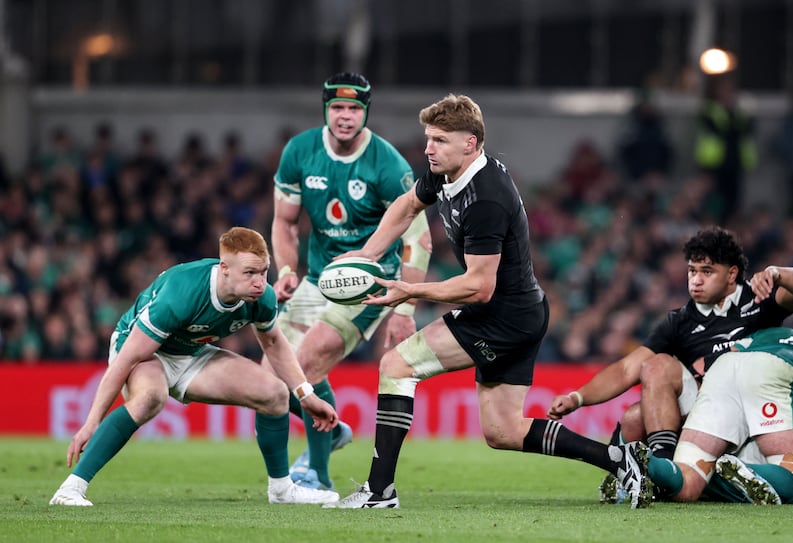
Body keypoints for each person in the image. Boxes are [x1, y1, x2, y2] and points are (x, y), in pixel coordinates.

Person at [325, 94, 653, 510]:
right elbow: (408, 205)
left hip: (501, 317)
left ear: (471, 142)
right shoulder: (445, 173)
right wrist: (368, 256)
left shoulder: (486, 198)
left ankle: (378, 491)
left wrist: (409, 290)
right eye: (429, 138)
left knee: (397, 366)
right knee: (504, 432)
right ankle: (619, 459)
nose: (429, 148)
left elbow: (478, 287)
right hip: (520, 312)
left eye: (440, 140)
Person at [49, 227, 341, 506]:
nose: (259, 282)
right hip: (144, 351)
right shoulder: (182, 292)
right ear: (224, 268)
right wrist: (91, 421)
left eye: (264, 272)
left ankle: (281, 489)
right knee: (151, 397)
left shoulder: (261, 297)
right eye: (250, 272)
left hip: (190, 352)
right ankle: (71, 488)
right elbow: (126, 359)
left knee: (275, 393)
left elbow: (275, 344)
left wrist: (306, 395)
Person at [548, 227, 793, 502]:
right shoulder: (679, 322)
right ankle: (662, 466)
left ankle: (665, 477)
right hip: (711, 405)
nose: (696, 280)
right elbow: (626, 369)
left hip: (755, 406)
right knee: (642, 398)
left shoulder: (758, 297)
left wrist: (778, 273)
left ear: (731, 274)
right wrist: (578, 396)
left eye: (707, 271)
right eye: (692, 271)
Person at [269, 72, 431, 491]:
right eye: (338, 108)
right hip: (317, 279)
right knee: (268, 381)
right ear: (325, 109)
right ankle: (332, 429)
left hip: (370, 282)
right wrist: (286, 271)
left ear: (366, 112)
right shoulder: (299, 151)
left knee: (308, 360)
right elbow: (285, 223)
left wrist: (405, 307)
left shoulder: (388, 164)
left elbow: (418, 237)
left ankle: (318, 476)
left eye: (354, 108)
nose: (345, 116)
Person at [646, 326, 793, 505]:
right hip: (775, 372)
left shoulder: (773, 333)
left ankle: (646, 466)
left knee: (689, 477)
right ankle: (742, 471)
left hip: (724, 366)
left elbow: (701, 366)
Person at [693, 75, 757, 223]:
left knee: (733, 199)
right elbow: (720, 129)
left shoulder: (740, 112)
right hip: (714, 164)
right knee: (714, 199)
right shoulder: (711, 110)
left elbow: (748, 128)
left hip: (735, 163)